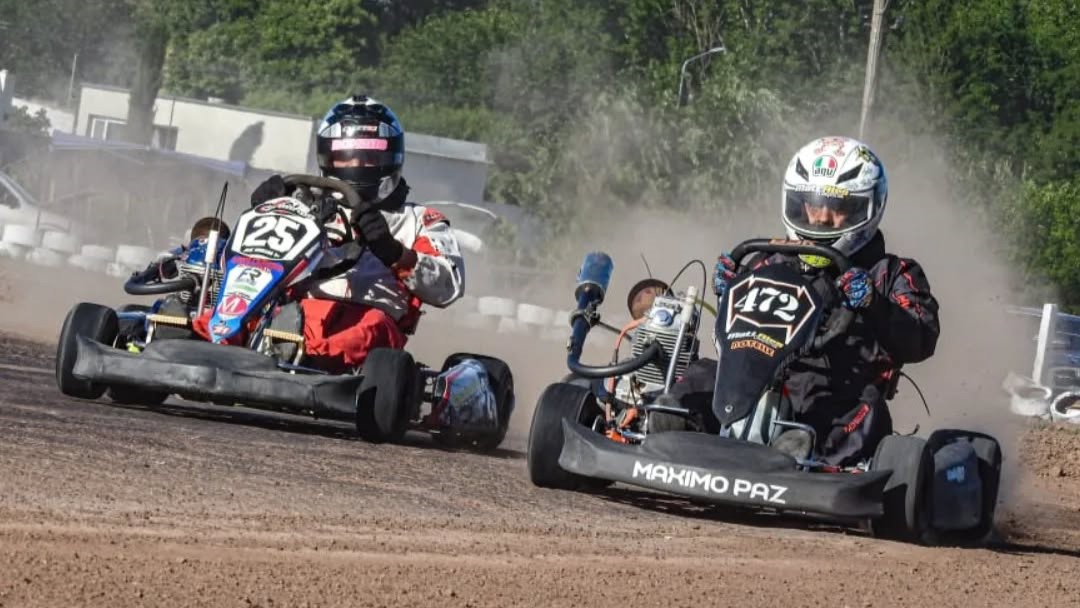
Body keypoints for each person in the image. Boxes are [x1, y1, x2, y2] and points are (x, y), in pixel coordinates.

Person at [681, 135, 940, 467]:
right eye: (812, 206)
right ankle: (671, 424)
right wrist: (731, 285)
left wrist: (874, 303)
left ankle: (800, 455)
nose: (821, 219)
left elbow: (921, 338)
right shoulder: (767, 260)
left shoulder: (889, 273)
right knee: (701, 374)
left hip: (835, 391)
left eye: (837, 209)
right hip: (754, 377)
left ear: (866, 209)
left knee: (866, 408)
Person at [203, 94, 465, 373]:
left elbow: (448, 286)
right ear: (327, 157)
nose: (355, 164)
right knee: (225, 311)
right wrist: (265, 210)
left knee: (361, 331)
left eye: (368, 156)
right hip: (287, 310)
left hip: (363, 319)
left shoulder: (417, 220)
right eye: (345, 156)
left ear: (390, 158)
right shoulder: (303, 204)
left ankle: (291, 353)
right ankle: (198, 337)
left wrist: (394, 252)